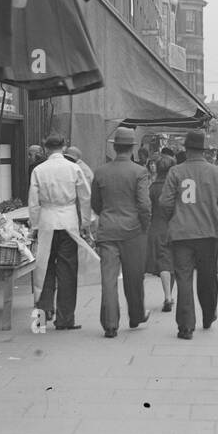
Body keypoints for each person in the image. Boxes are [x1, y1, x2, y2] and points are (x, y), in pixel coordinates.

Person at [158, 130, 218, 339]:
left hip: (181, 234)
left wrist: (175, 217)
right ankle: (208, 314)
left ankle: (185, 326)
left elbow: (165, 202)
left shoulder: (175, 172)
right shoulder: (217, 172)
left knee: (183, 278)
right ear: (204, 150)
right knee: (208, 278)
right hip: (208, 233)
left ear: (186, 150)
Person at [92, 127, 151, 337]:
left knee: (108, 279)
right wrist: (145, 225)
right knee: (134, 277)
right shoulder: (139, 172)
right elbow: (144, 204)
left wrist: (107, 215)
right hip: (133, 230)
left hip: (108, 230)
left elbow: (95, 204)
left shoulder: (100, 171)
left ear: (115, 147)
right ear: (132, 148)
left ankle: (110, 324)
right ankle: (135, 316)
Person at [29, 133, 92, 331]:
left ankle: (40, 319)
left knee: (43, 269)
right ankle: (65, 319)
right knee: (67, 271)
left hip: (47, 221)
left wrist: (34, 226)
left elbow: (33, 202)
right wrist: (86, 224)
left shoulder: (39, 170)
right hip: (68, 222)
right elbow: (85, 197)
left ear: (46, 149)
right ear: (63, 148)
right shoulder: (74, 168)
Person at [145, 154, 177, 312]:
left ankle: (168, 295)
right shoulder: (174, 187)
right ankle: (169, 295)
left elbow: (147, 209)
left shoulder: (152, 188)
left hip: (157, 227)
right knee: (171, 262)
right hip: (175, 227)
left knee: (164, 262)